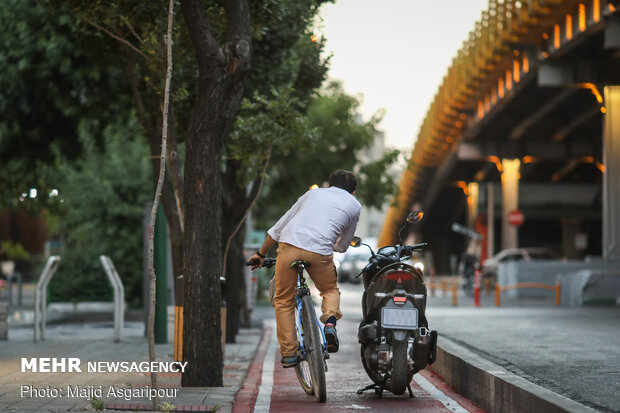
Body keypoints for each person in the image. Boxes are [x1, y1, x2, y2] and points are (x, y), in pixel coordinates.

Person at [248, 170, 361, 368]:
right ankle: (329, 323)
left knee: (283, 299)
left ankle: (290, 353)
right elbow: (343, 246)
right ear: (353, 192)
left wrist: (261, 254)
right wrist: (331, 245)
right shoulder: (355, 205)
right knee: (329, 290)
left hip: (289, 246)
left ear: (328, 185)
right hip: (319, 253)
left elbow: (279, 226)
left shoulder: (312, 194)